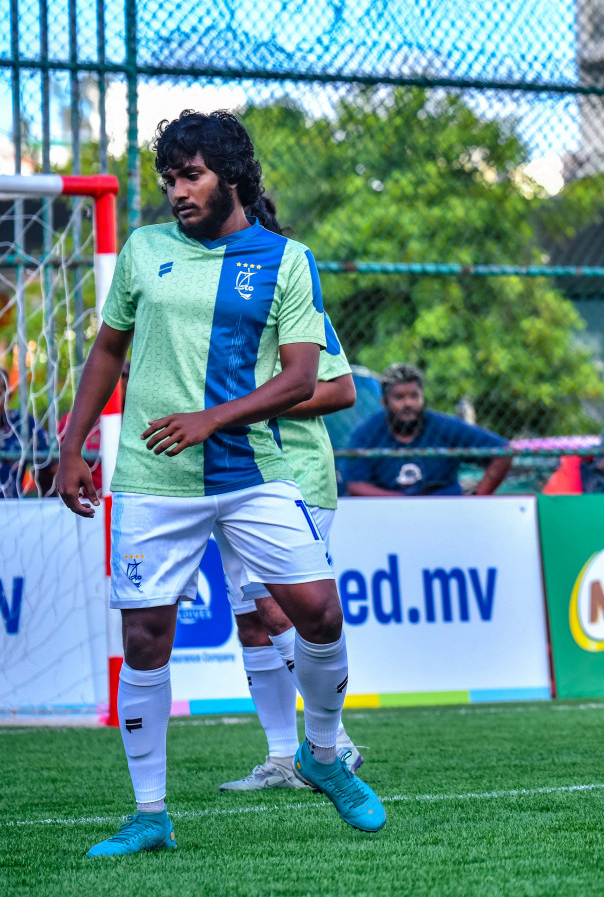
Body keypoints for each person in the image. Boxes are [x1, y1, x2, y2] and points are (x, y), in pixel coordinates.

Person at [54, 110, 384, 857]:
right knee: (145, 637)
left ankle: (323, 756)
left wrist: (212, 418)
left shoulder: (286, 259)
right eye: (169, 178)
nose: (177, 191)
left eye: (191, 175)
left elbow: (306, 377)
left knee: (318, 613)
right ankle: (149, 814)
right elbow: (108, 350)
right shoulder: (143, 250)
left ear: (231, 175)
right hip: (151, 476)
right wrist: (73, 445)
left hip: (253, 472)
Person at [218, 195, 363, 791]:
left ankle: (336, 747)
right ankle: (283, 758)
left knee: (278, 604)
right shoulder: (213, 310)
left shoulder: (293, 294)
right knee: (252, 618)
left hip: (296, 472)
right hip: (231, 473)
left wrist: (248, 406)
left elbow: (341, 389)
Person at [343, 362, 511, 496]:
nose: (408, 403)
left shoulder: (445, 426)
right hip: (389, 515)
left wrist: (478, 497)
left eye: (414, 396)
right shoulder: (366, 433)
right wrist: (402, 503)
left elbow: (503, 452)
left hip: (445, 512)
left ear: (422, 398)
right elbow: (355, 484)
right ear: (385, 402)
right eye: (399, 397)